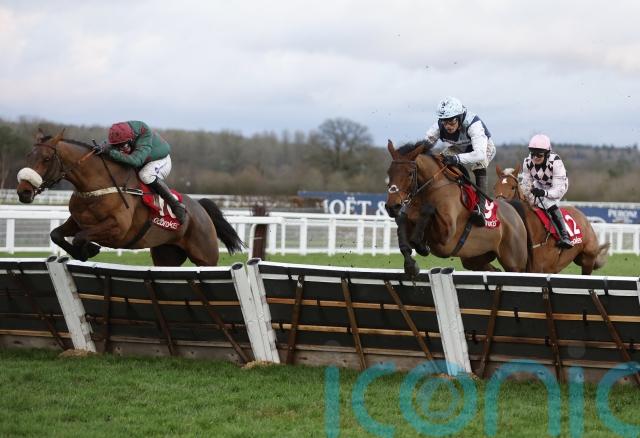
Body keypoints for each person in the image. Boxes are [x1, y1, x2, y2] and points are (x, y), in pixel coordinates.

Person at [401, 96, 496, 225]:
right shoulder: (438, 127)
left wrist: (456, 159)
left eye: (451, 122)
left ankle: (481, 208)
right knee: (440, 160)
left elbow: (479, 154)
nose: (448, 126)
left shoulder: (474, 125)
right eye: (444, 122)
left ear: (460, 117)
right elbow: (423, 147)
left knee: (479, 165)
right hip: (458, 147)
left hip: (482, 149)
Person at [95, 121, 187, 223]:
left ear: (131, 138)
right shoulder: (122, 133)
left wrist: (111, 152)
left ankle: (176, 205)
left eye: (122, 145)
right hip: (143, 161)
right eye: (117, 145)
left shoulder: (144, 135)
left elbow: (136, 161)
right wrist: (101, 147)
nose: (120, 148)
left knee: (145, 175)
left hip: (161, 161)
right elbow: (109, 144)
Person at [521, 134, 573, 249]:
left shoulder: (556, 162)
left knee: (548, 202)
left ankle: (565, 236)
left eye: (539, 154)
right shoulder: (527, 162)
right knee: (527, 201)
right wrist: (525, 195)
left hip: (558, 186)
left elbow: (557, 191)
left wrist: (544, 193)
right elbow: (525, 184)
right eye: (533, 153)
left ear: (547, 153)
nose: (535, 157)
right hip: (540, 184)